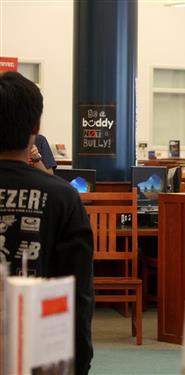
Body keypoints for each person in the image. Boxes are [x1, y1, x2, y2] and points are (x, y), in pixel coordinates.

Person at [0, 71, 94, 374]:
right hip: (40, 352)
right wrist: (79, 362)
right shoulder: (63, 197)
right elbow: (77, 293)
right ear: (36, 127)